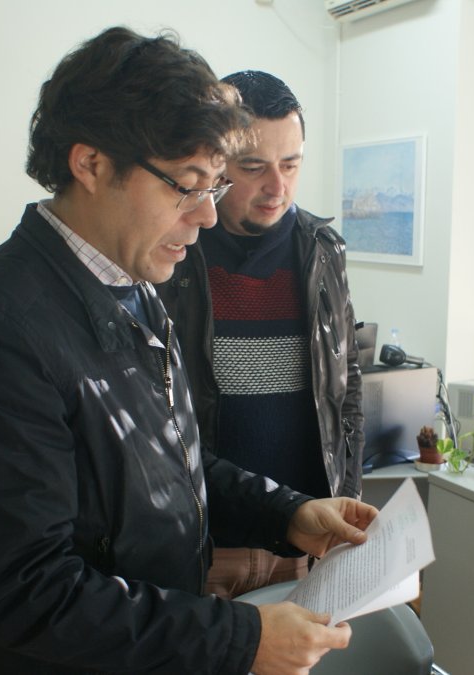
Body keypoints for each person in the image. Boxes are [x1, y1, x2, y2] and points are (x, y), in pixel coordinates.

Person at [0, 27, 377, 675]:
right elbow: (27, 593)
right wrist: (239, 638)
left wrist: (288, 512)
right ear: (91, 164)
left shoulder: (134, 286)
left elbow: (170, 464)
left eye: (214, 187)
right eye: (187, 185)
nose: (207, 216)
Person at [157, 71, 364, 599]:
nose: (278, 187)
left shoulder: (323, 250)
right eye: (254, 167)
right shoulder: (170, 255)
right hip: (203, 543)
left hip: (307, 541)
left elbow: (347, 391)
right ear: (216, 163)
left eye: (291, 164)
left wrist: (348, 497)